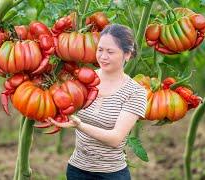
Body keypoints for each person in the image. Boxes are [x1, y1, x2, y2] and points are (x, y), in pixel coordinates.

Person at [47, 24, 147, 180]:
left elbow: (115, 139)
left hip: (112, 175)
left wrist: (79, 125)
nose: (103, 56)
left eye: (110, 52)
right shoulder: (83, 80)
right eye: (100, 50)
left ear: (127, 54)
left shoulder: (135, 92)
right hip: (76, 170)